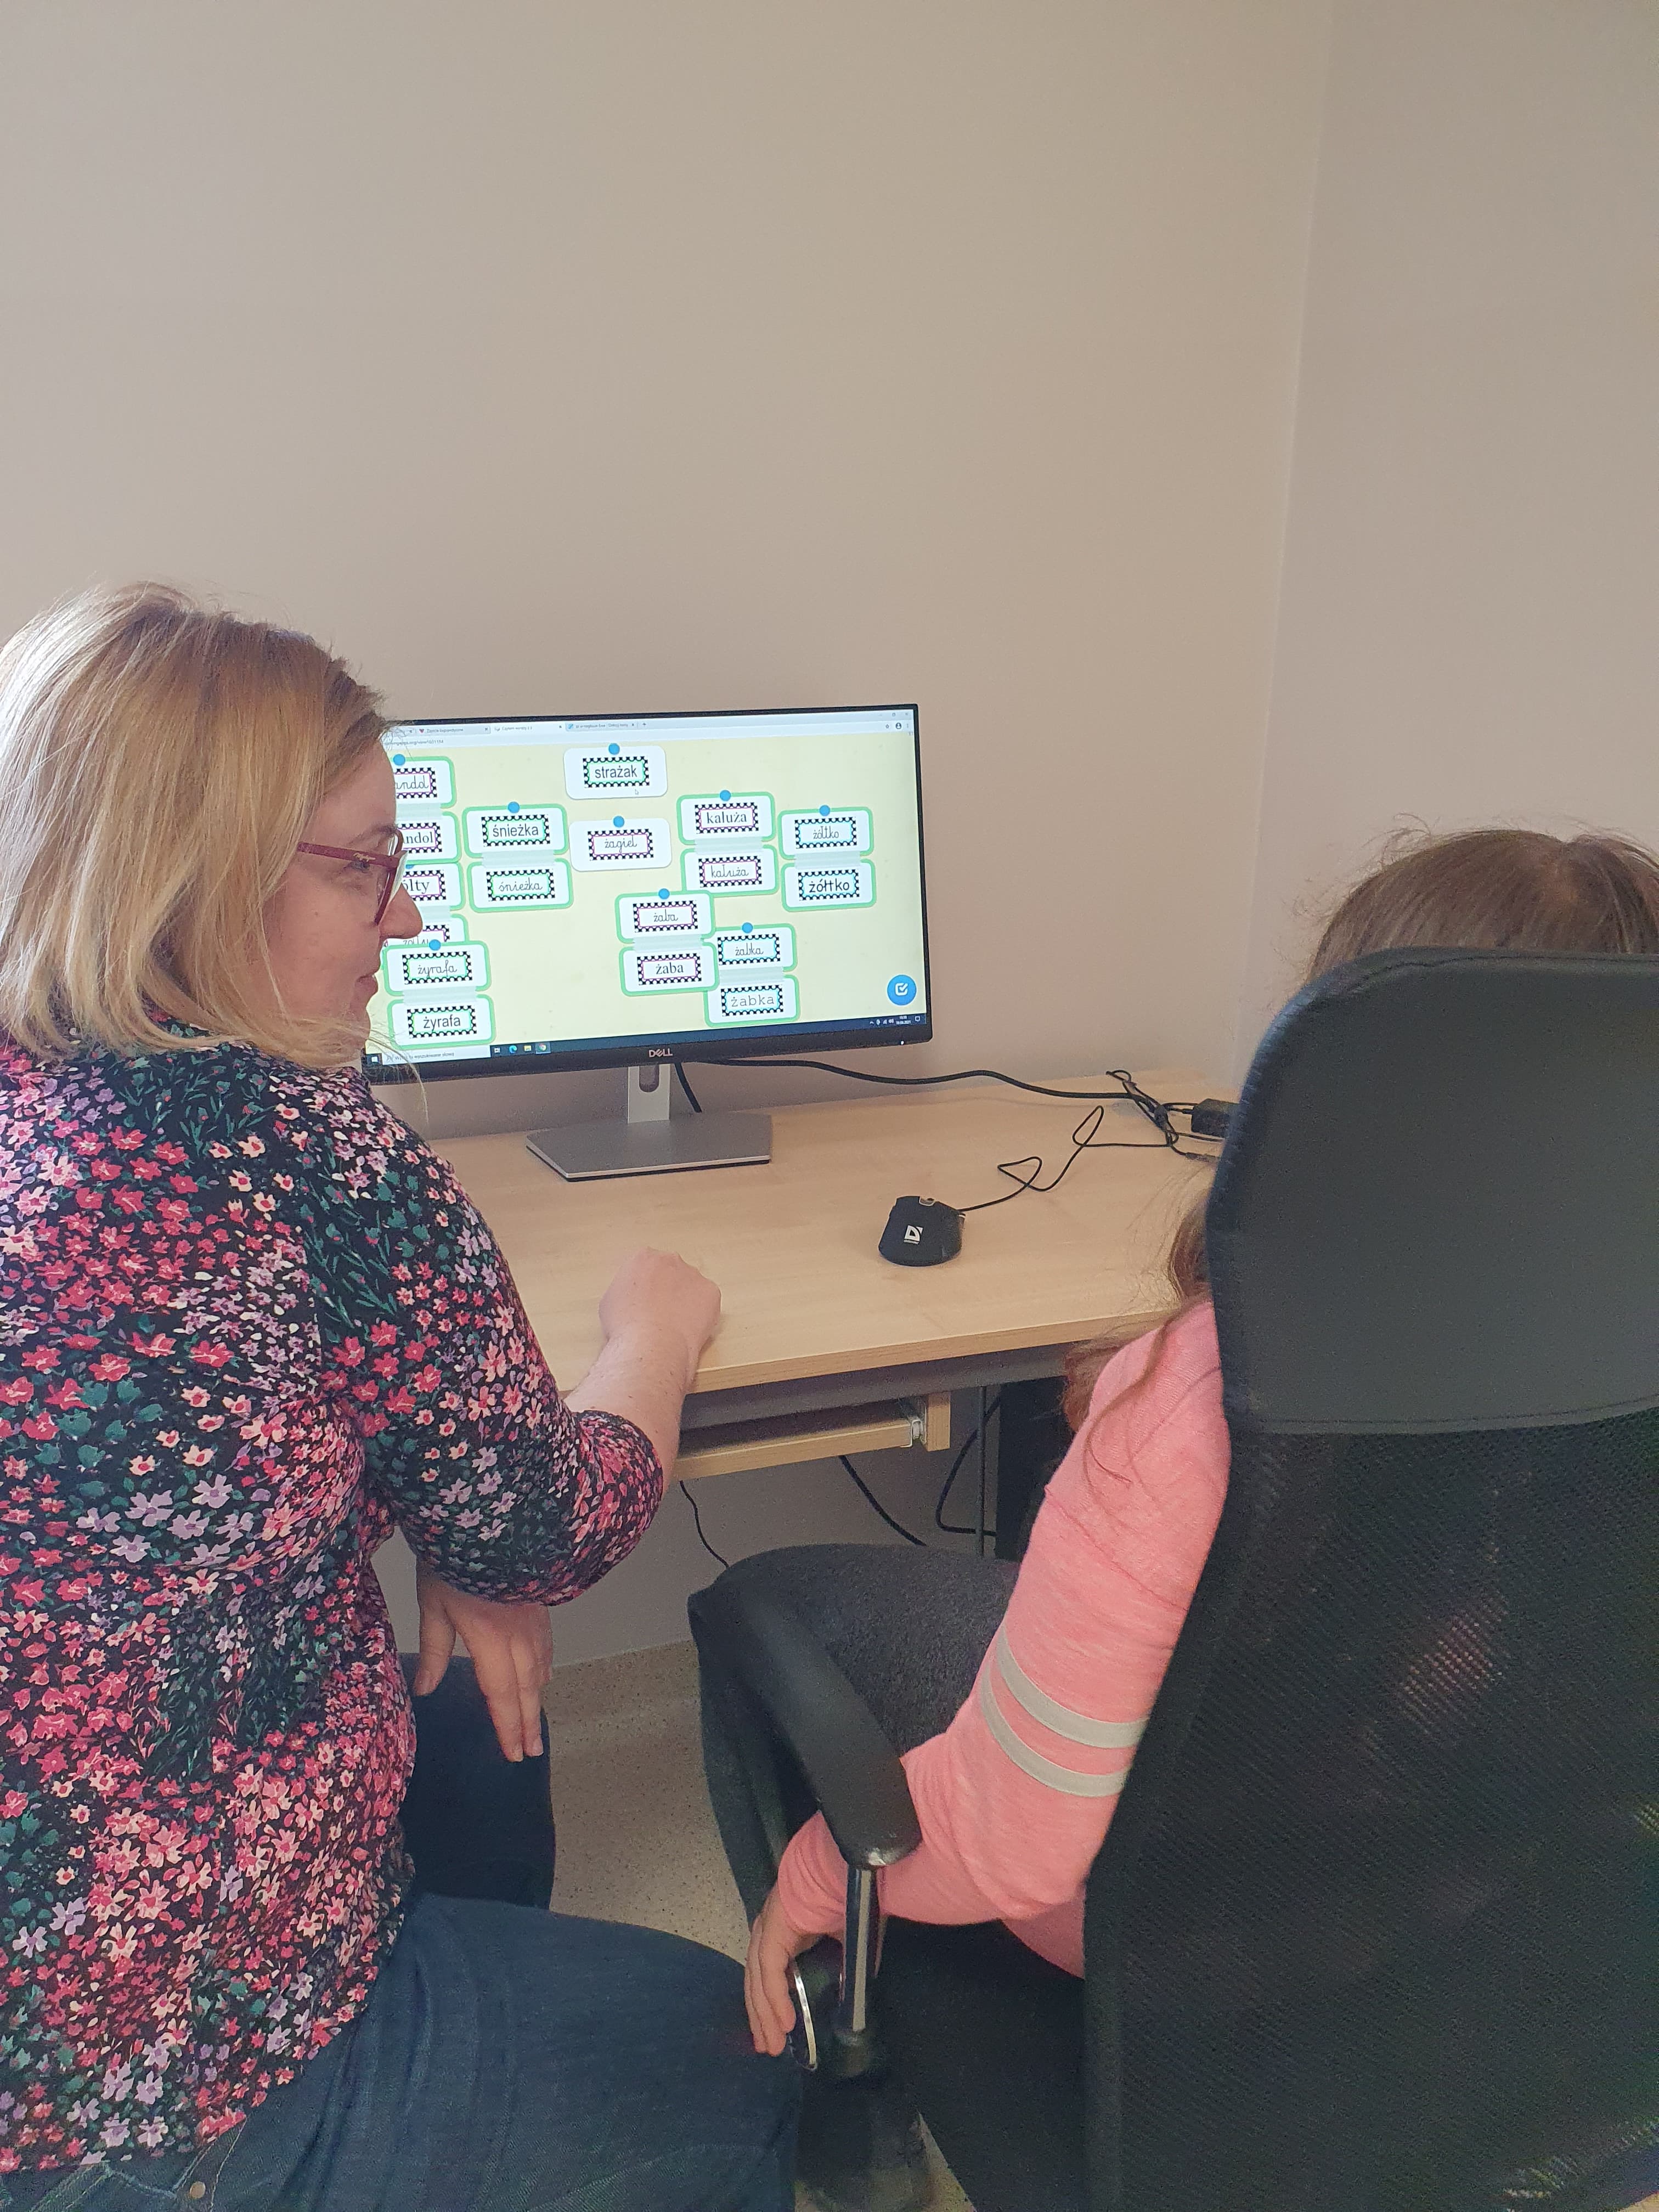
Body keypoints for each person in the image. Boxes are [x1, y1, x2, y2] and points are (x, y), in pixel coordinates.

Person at [695, 823, 1659, 2211]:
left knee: (777, 1611)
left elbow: (1025, 1842)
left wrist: (810, 1873)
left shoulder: (1205, 1404)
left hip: (1177, 1943)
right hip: (1451, 1896)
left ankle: (854, 2079)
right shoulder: (1612, 1413)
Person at [0, 584, 799, 2210]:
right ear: (193, 873)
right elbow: (552, 1527)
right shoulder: (300, 1152)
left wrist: (436, 1512)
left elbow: (155, 1466)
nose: (411, 918)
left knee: (470, 1701)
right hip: (144, 2091)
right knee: (746, 2062)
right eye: (365, 866)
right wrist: (652, 1330)